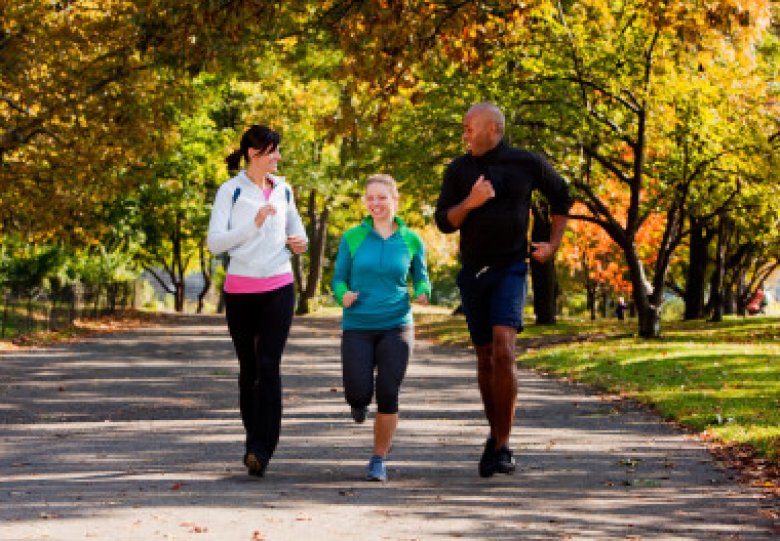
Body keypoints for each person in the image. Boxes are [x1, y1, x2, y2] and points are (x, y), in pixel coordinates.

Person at [434, 103, 572, 478]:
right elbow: (444, 222)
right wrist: (471, 201)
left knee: (503, 347)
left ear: (493, 128)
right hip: (473, 274)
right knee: (484, 357)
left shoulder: (526, 163)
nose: (464, 134)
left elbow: (562, 196)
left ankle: (503, 444)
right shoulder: (459, 170)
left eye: (469, 128)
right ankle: (495, 438)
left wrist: (553, 244)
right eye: (463, 128)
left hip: (511, 268)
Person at [207, 125, 308, 477]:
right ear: (253, 154)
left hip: (279, 285)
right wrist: (253, 224)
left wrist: (300, 242)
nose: (278, 157)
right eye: (272, 151)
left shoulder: (284, 189)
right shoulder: (230, 191)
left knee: (269, 364)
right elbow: (216, 243)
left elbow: (298, 231)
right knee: (249, 369)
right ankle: (253, 440)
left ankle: (263, 448)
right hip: (241, 290)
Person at [332, 174, 431, 482]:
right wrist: (342, 296)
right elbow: (338, 280)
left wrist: (423, 291)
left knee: (389, 391)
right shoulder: (352, 237)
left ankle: (378, 459)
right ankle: (358, 403)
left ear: (395, 200)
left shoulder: (412, 240)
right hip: (358, 324)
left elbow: (422, 276)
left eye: (381, 197)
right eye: (370, 197)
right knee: (358, 391)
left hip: (397, 325)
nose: (375, 203)